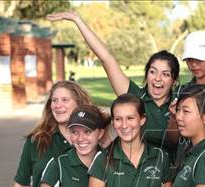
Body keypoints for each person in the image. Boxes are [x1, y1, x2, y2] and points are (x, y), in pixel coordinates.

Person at [47, 12, 180, 154]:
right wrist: (77, 19)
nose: (157, 78)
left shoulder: (179, 104)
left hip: (169, 173)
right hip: (133, 171)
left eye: (165, 74)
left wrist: (174, 116)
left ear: (174, 81)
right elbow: (106, 58)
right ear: (147, 74)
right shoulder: (135, 96)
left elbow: (178, 140)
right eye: (153, 72)